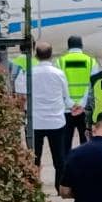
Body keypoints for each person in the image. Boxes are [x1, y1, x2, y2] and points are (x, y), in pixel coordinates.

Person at [15, 42, 72, 191]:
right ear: (51, 54)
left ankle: (33, 187)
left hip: (35, 121)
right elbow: (66, 97)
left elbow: (20, 93)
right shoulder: (59, 73)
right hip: (56, 122)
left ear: (36, 55)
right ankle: (60, 188)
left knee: (34, 158)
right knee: (59, 159)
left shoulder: (28, 72)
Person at [58, 35, 97, 155]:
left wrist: (71, 103)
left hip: (66, 110)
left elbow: (59, 85)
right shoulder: (91, 61)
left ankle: (66, 171)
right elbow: (93, 86)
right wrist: (82, 104)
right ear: (81, 46)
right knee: (86, 144)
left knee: (65, 145)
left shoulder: (60, 61)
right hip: (84, 110)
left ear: (68, 46)